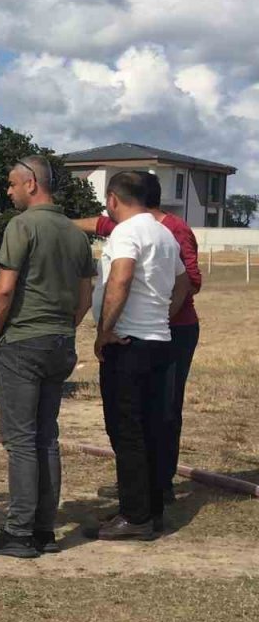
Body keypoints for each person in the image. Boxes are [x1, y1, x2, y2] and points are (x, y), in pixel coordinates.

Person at [0, 156, 96, 558]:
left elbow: (4, 290)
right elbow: (85, 296)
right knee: (47, 437)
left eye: (11, 184)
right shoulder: (76, 234)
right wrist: (66, 324)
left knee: (21, 440)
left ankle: (19, 531)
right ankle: (44, 529)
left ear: (31, 184)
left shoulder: (22, 226)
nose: (8, 192)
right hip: (60, 341)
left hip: (23, 343)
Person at [74, 172, 201, 504]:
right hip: (157, 338)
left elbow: (121, 278)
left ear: (113, 200)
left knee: (125, 426)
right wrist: (161, 317)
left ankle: (135, 513)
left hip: (129, 342)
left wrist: (104, 331)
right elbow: (184, 281)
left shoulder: (128, 232)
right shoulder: (162, 233)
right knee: (150, 421)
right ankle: (150, 501)